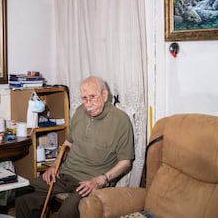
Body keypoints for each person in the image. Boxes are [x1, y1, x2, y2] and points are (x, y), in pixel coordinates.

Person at [15, 76, 134, 218]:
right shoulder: (79, 112)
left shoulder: (120, 120)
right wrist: (54, 166)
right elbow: (67, 144)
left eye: (93, 97)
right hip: (66, 173)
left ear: (104, 95)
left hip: (92, 181)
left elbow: (126, 162)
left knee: (68, 211)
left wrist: (101, 180)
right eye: (84, 98)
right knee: (23, 192)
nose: (88, 104)